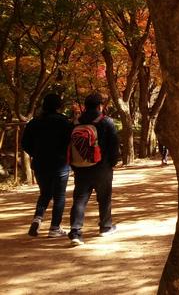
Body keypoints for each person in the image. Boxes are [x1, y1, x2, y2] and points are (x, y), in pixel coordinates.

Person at [67, 93, 120, 246]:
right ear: (99, 106)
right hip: (102, 166)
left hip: (81, 167)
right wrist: (113, 162)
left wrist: (73, 164)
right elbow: (114, 144)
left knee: (80, 199)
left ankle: (76, 231)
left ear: (85, 106)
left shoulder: (76, 123)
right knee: (104, 197)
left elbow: (70, 144)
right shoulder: (106, 122)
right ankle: (105, 227)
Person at [21, 93, 73, 238]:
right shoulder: (64, 122)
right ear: (59, 106)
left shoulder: (34, 122)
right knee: (59, 196)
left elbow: (25, 144)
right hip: (60, 164)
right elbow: (71, 142)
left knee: (45, 194)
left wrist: (36, 153)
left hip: (40, 164)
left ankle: (37, 218)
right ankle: (54, 227)